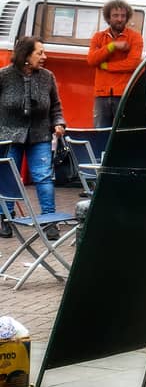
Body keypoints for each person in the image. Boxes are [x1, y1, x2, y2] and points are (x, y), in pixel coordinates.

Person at [0, 37, 67, 239]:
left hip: (39, 135)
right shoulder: (4, 76)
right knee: (7, 177)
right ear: (26, 55)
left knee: (43, 176)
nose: (44, 56)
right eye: (40, 53)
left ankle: (49, 220)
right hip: (9, 135)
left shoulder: (48, 77)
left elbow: (55, 106)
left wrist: (59, 123)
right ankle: (4, 218)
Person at [86, 0, 143, 127]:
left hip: (124, 94)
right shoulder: (98, 37)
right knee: (100, 134)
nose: (119, 19)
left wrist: (106, 65)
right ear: (108, 18)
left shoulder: (135, 37)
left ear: (127, 18)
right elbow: (91, 60)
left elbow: (133, 64)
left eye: (123, 16)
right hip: (101, 94)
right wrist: (113, 46)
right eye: (115, 15)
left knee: (123, 133)